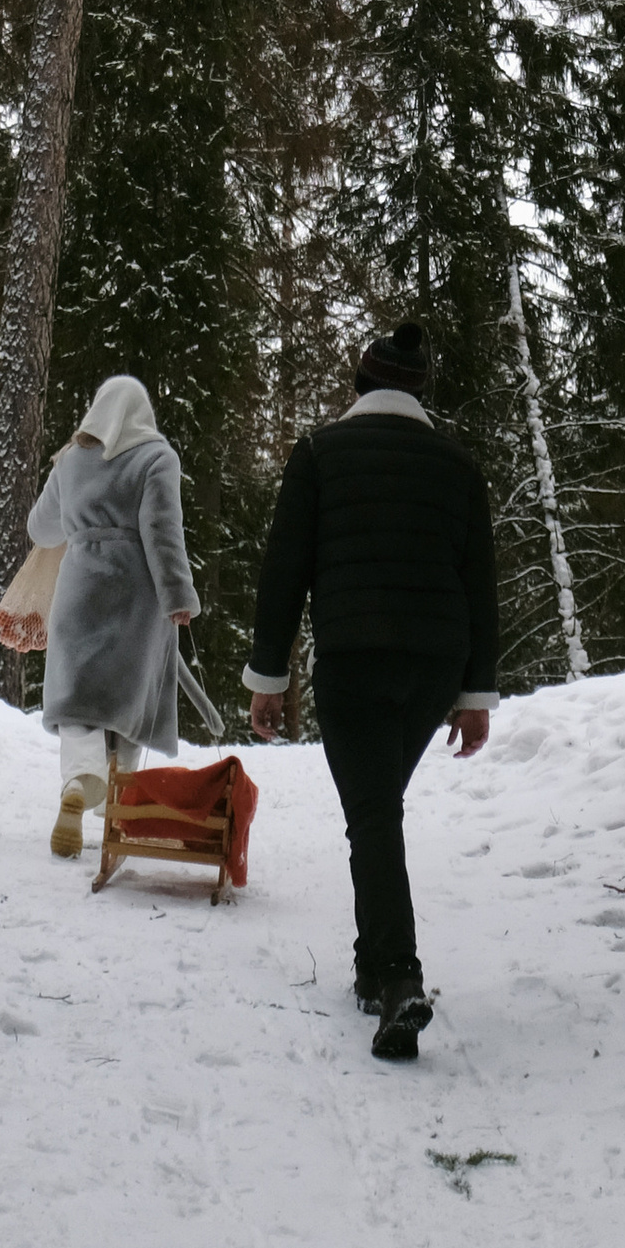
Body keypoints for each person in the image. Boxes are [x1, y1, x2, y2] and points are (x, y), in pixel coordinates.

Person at [243, 318, 499, 1062]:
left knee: (373, 812)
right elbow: (479, 586)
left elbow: (284, 570)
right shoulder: (457, 466)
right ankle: (371, 965)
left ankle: (398, 978)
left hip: (354, 656)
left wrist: (269, 678)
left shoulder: (320, 453)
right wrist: (474, 695)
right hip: (434, 664)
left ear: (360, 385)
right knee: (377, 807)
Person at [22, 375, 198, 859]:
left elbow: (40, 528)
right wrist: (178, 596)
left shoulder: (70, 460)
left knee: (76, 697)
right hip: (136, 595)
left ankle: (79, 782)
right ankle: (117, 810)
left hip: (79, 587)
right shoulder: (157, 457)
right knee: (128, 702)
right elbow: (162, 532)